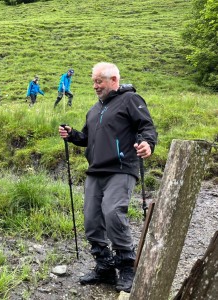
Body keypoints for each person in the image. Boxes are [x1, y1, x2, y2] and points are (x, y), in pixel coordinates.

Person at [58, 62, 157, 293]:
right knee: (91, 219)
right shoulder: (94, 110)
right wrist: (72, 135)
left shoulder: (131, 100)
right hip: (96, 170)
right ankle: (104, 267)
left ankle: (127, 266)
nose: (95, 86)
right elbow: (87, 138)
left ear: (113, 80)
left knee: (112, 212)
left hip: (122, 168)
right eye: (93, 81)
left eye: (98, 81)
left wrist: (147, 144)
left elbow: (147, 126)